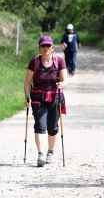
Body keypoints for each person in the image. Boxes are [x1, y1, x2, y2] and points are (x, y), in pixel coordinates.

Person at [24, 36, 68, 167]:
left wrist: (62, 84)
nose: (46, 48)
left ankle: (51, 152)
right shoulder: (34, 62)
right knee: (40, 125)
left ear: (53, 48)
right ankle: (40, 154)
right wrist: (27, 97)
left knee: (53, 126)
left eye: (48, 46)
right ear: (39, 48)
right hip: (38, 97)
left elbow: (65, 80)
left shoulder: (59, 61)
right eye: (43, 46)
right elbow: (27, 82)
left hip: (55, 96)